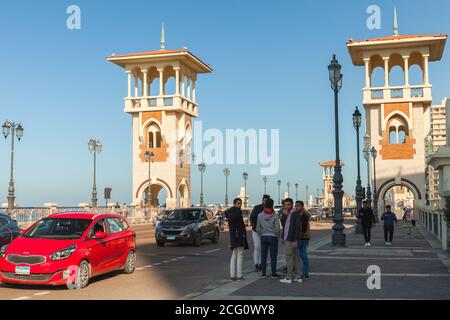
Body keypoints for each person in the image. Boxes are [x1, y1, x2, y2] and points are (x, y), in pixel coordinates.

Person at [256, 198, 281, 279]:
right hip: (273, 236)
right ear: (272, 205)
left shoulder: (260, 215)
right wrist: (277, 236)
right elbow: (277, 228)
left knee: (263, 256)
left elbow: (258, 228)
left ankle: (263, 273)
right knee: (273, 256)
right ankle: (273, 273)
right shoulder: (275, 215)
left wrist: (261, 235)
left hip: (263, 236)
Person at [279, 198, 301, 284]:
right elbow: (283, 224)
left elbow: (297, 228)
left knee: (289, 259)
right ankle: (298, 277)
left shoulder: (295, 214)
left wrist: (295, 240)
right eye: (285, 205)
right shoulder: (287, 213)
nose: (286, 206)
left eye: (288, 204)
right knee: (295, 258)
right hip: (287, 238)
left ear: (292, 205)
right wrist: (284, 215)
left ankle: (289, 277)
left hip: (290, 239)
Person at [226, 198, 249, 281]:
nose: (240, 205)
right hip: (238, 236)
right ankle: (239, 275)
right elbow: (240, 226)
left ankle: (232, 274)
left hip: (233, 235)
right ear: (234, 204)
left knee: (234, 255)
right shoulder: (237, 212)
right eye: (238, 203)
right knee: (240, 255)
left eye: (241, 203)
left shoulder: (229, 213)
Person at [250, 195, 270, 272]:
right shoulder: (257, 208)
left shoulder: (270, 209)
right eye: (264, 200)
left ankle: (262, 263)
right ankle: (256, 263)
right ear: (262, 200)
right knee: (257, 246)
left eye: (266, 200)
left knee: (264, 248)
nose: (265, 202)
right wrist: (255, 227)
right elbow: (252, 218)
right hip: (256, 231)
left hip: (265, 231)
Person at [297, 201, 311, 280]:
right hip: (301, 238)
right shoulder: (299, 214)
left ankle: (305, 273)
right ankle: (300, 272)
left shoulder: (304, 215)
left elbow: (304, 227)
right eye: (295, 206)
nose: (296, 207)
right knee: (298, 256)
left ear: (302, 206)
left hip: (303, 238)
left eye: (298, 206)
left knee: (303, 256)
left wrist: (299, 236)